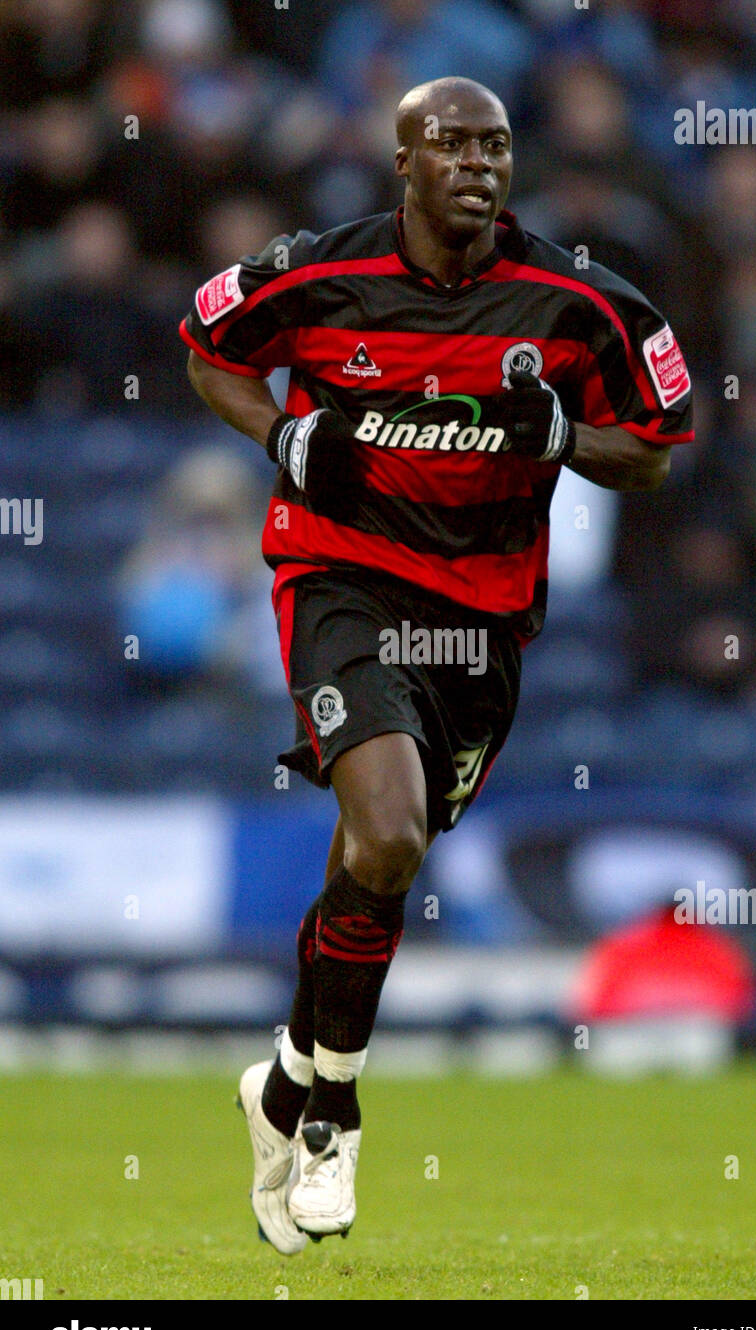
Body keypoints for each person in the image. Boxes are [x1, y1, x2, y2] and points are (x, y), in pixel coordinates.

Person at [179, 75, 694, 1253]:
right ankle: (331, 1120)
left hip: (481, 624)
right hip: (339, 581)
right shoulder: (318, 274)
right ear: (401, 160)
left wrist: (563, 433)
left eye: (496, 146)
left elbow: (655, 450)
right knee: (390, 832)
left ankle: (282, 1079)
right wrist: (279, 431)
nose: (477, 164)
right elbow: (206, 345)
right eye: (451, 144)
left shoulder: (571, 303)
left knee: (372, 857)